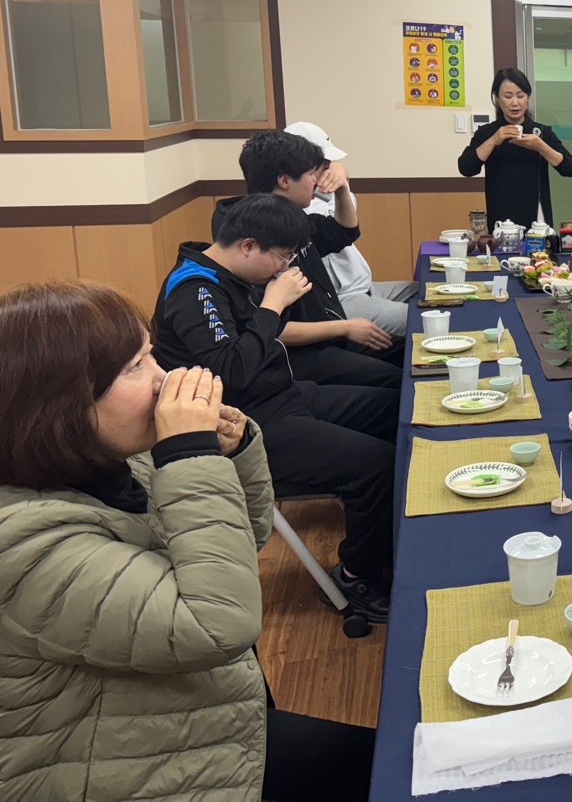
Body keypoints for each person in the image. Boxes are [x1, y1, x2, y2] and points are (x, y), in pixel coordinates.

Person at [0, 281, 271, 799]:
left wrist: (230, 455)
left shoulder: (122, 463)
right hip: (122, 773)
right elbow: (217, 624)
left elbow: (244, 543)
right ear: (58, 406)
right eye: (136, 367)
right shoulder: (23, 545)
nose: (164, 380)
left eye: (151, 355)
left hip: (199, 723)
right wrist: (190, 457)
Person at [155, 194, 397, 623]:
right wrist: (273, 303)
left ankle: (393, 543)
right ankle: (357, 576)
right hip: (246, 425)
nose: (284, 268)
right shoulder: (194, 289)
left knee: (395, 407)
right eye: (282, 257)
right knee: (378, 465)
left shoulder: (231, 273)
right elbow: (231, 371)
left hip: (284, 395)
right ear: (248, 246)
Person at [214, 129, 400, 387]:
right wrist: (345, 327)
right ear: (285, 181)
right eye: (311, 173)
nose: (316, 180)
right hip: (301, 357)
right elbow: (268, 329)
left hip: (330, 336)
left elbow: (344, 232)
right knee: (396, 381)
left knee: (408, 352)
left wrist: (342, 189)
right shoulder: (251, 237)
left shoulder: (288, 216)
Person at [287, 121, 419, 339]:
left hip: (363, 287)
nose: (329, 169)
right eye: (325, 164)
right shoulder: (300, 207)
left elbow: (348, 219)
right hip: (342, 300)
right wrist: (340, 180)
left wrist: (341, 178)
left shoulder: (320, 194)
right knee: (427, 318)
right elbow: (341, 228)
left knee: (429, 291)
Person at [457, 67, 572, 229]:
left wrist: (541, 146)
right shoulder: (487, 132)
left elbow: (569, 168)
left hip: (537, 218)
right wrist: (493, 140)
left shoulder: (542, 132)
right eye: (508, 96)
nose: (515, 102)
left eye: (521, 96)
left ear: (528, 97)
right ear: (497, 98)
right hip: (500, 217)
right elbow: (466, 168)